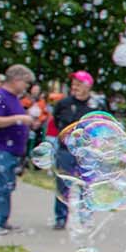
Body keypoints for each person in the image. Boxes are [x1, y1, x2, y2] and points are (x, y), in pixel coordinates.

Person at [0, 64, 36, 237]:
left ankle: (1, 220)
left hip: (9, 150)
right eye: (26, 83)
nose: (27, 87)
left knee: (6, 186)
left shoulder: (12, 98)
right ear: (16, 79)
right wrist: (20, 118)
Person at [49, 71, 96, 229]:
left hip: (87, 152)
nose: (74, 87)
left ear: (88, 86)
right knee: (63, 184)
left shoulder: (95, 105)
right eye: (73, 84)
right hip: (66, 150)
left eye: (79, 84)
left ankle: (85, 217)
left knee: (87, 185)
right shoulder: (64, 104)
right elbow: (56, 121)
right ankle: (61, 218)